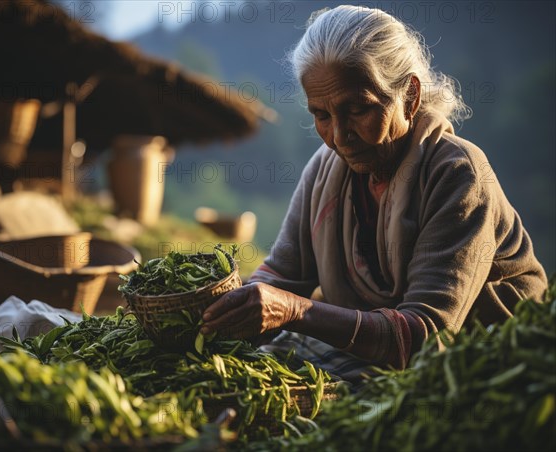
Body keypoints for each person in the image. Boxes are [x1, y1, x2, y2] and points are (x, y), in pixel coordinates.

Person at [200, 6, 548, 380]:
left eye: (358, 109)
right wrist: (221, 308)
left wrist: (296, 310)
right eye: (321, 115)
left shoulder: (457, 172)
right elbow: (284, 273)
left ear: (410, 96)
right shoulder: (325, 169)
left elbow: (426, 339)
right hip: (379, 354)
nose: (339, 136)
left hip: (484, 362)